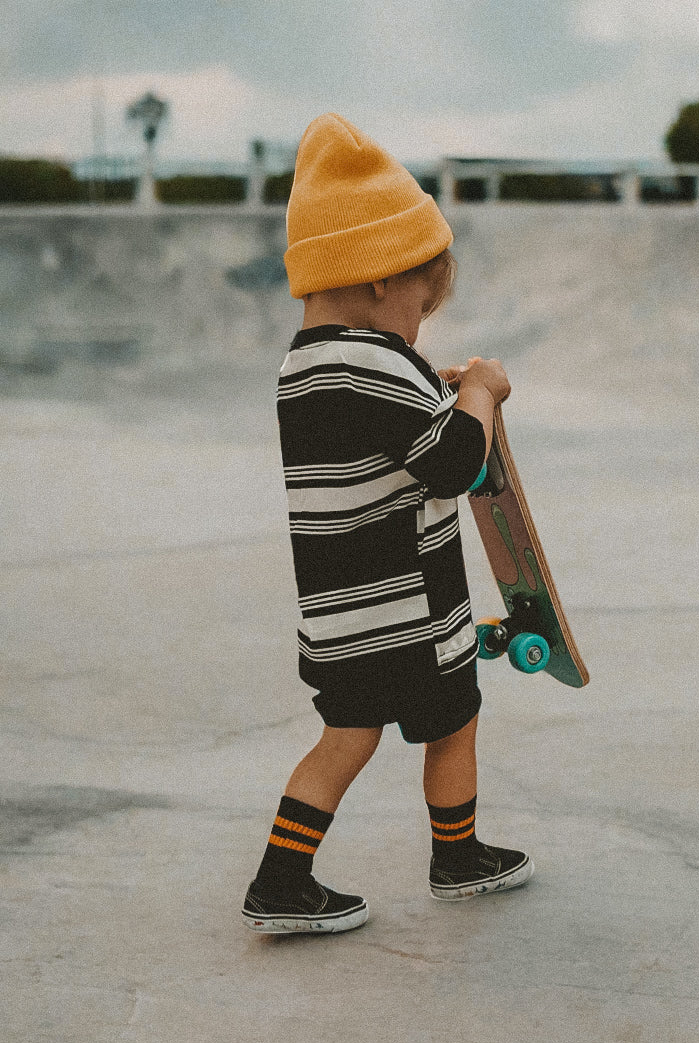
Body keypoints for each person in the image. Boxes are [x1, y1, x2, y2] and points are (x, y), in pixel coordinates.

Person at [242, 113, 533, 934]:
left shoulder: (305, 365)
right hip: (405, 615)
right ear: (377, 278)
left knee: (346, 738)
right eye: (418, 304)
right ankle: (457, 856)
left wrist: (432, 395)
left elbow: (389, 439)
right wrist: (479, 392)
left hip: (344, 617)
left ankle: (282, 877)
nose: (419, 326)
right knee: (455, 720)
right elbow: (453, 464)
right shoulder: (375, 360)